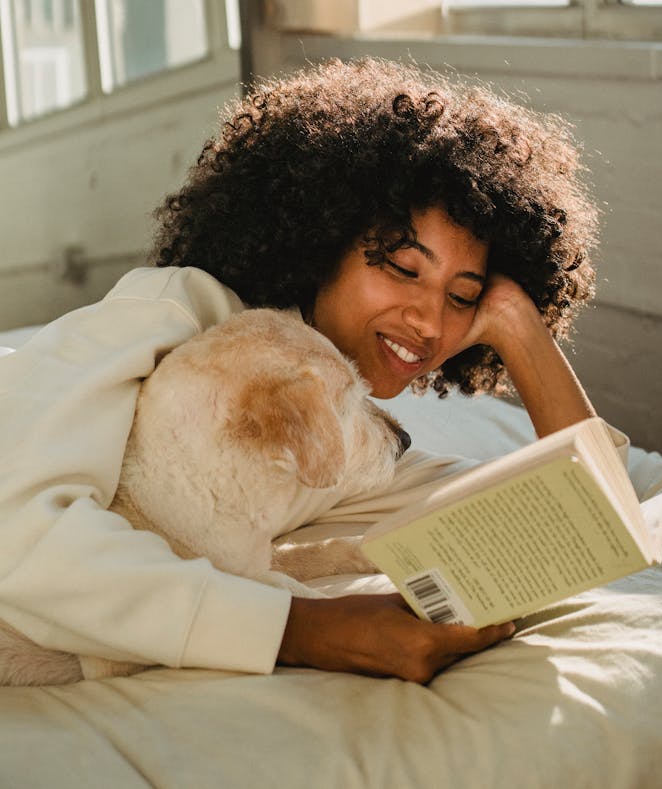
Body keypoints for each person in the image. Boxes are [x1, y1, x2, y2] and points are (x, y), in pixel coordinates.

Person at [0, 58, 602, 685]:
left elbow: (584, 513)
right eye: (401, 266)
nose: (428, 322)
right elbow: (14, 524)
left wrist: (518, 328)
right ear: (323, 238)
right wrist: (303, 630)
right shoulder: (177, 310)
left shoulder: (348, 435)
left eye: (461, 295)